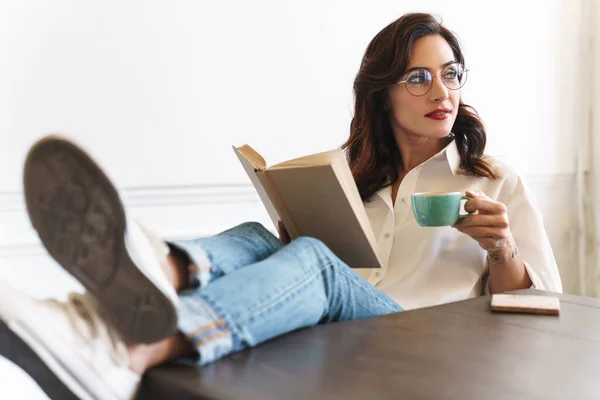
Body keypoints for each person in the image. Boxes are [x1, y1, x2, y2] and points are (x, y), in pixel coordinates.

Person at [0, 12, 562, 400]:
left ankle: (127, 352)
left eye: (450, 75)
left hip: (414, 341)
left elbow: (544, 312)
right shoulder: (351, 176)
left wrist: (503, 249)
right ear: (382, 91)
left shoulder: (494, 180)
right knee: (258, 237)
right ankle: (154, 271)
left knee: (315, 261)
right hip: (340, 329)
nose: (442, 93)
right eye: (418, 78)